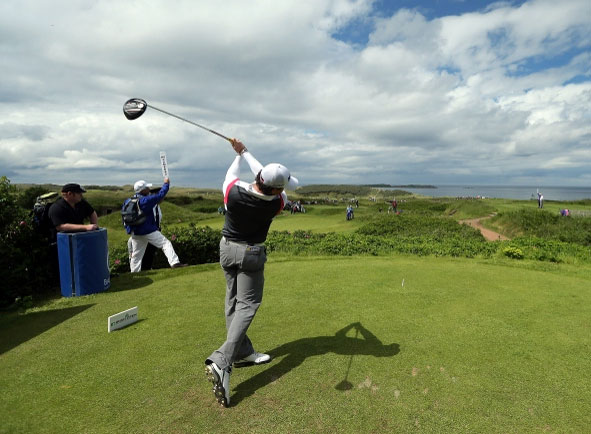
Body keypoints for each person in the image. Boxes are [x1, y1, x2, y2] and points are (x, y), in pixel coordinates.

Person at [204, 138, 298, 408]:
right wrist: (245, 152)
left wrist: (240, 154)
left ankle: (242, 352)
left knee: (232, 301)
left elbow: (236, 174)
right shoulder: (277, 202)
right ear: (277, 189)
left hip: (226, 249)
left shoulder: (233, 192)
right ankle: (222, 360)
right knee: (248, 304)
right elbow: (271, 181)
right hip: (251, 254)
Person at [124, 178, 187, 273]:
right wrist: (166, 184)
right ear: (142, 190)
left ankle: (134, 273)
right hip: (147, 230)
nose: (149, 189)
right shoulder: (145, 200)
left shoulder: (128, 201)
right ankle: (175, 263)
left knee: (136, 255)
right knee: (165, 244)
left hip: (135, 231)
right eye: (147, 188)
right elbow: (160, 195)